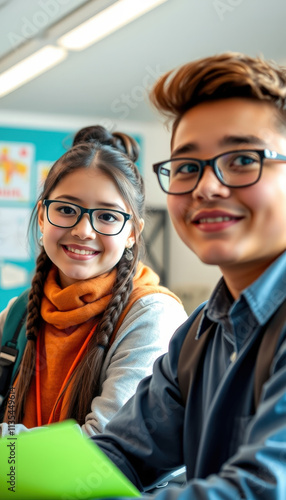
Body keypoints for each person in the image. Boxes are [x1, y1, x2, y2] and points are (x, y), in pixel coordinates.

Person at [92, 53, 286, 499]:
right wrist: (12, 467)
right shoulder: (199, 333)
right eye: (186, 166)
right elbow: (119, 455)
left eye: (241, 160)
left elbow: (257, 490)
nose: (207, 187)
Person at [0, 125, 187, 438]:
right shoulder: (18, 315)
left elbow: (104, 446)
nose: (84, 230)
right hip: (17, 485)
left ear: (132, 233)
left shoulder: (151, 316)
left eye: (108, 216)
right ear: (43, 217)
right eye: (66, 209)